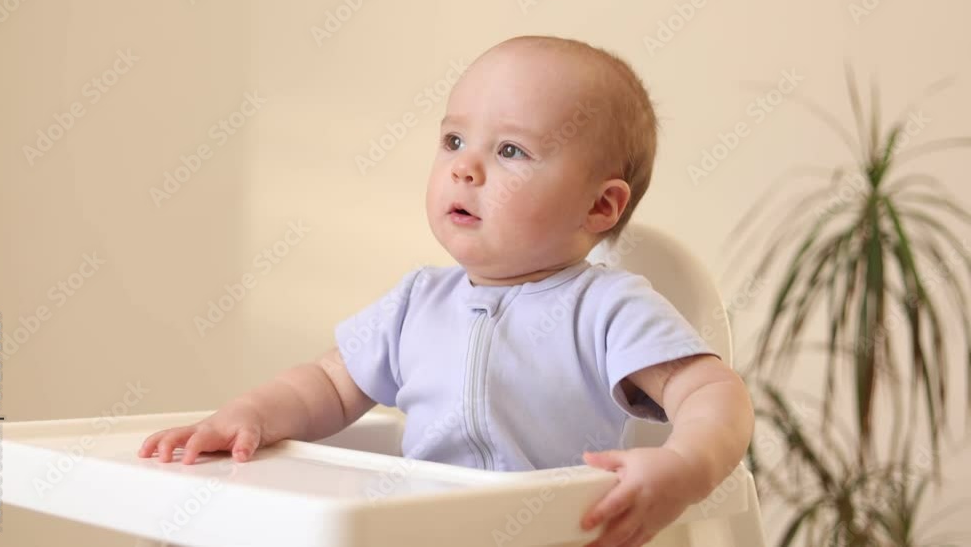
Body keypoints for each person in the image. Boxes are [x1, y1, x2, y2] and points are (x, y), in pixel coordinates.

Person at [138, 35, 754, 547]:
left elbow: (710, 391)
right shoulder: (415, 303)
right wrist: (246, 417)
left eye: (511, 150)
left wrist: (686, 467)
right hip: (423, 533)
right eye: (454, 140)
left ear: (600, 205)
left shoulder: (607, 309)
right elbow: (326, 384)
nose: (465, 167)